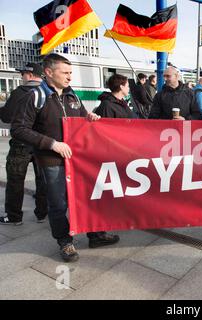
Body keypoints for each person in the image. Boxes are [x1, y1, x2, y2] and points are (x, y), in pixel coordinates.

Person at [11, 54, 120, 262]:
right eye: (66, 72)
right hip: (52, 161)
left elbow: (80, 118)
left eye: (71, 73)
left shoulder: (72, 96)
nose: (70, 77)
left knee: (88, 198)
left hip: (77, 159)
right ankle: (65, 242)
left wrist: (90, 117)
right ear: (49, 72)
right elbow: (18, 129)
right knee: (59, 204)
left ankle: (95, 234)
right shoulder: (35, 96)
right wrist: (52, 144)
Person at [0, 63, 47, 226]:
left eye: (23, 74)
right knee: (43, 179)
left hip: (22, 143)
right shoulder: (48, 92)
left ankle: (14, 216)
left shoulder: (19, 92)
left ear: (30, 74)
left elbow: (6, 117)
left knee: (15, 179)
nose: (22, 77)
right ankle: (42, 213)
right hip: (42, 143)